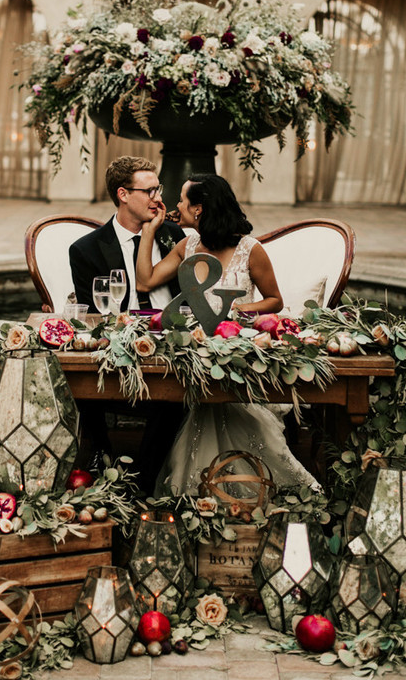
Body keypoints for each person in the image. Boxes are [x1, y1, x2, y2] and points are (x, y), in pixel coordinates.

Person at [135, 173, 319, 497]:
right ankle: (202, 496)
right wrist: (148, 231)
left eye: (182, 199)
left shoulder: (251, 249)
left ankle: (248, 489)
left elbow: (275, 300)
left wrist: (234, 313)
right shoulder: (186, 245)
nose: (176, 205)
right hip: (198, 352)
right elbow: (145, 281)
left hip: (238, 352)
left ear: (200, 209)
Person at [69, 155, 185, 491]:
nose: (158, 198)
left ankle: (141, 485)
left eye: (158, 189)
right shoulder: (87, 249)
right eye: (148, 191)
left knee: (175, 393)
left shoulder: (173, 235)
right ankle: (100, 465)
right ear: (123, 194)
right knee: (83, 387)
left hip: (172, 345)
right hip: (119, 347)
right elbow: (92, 316)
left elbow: (191, 296)